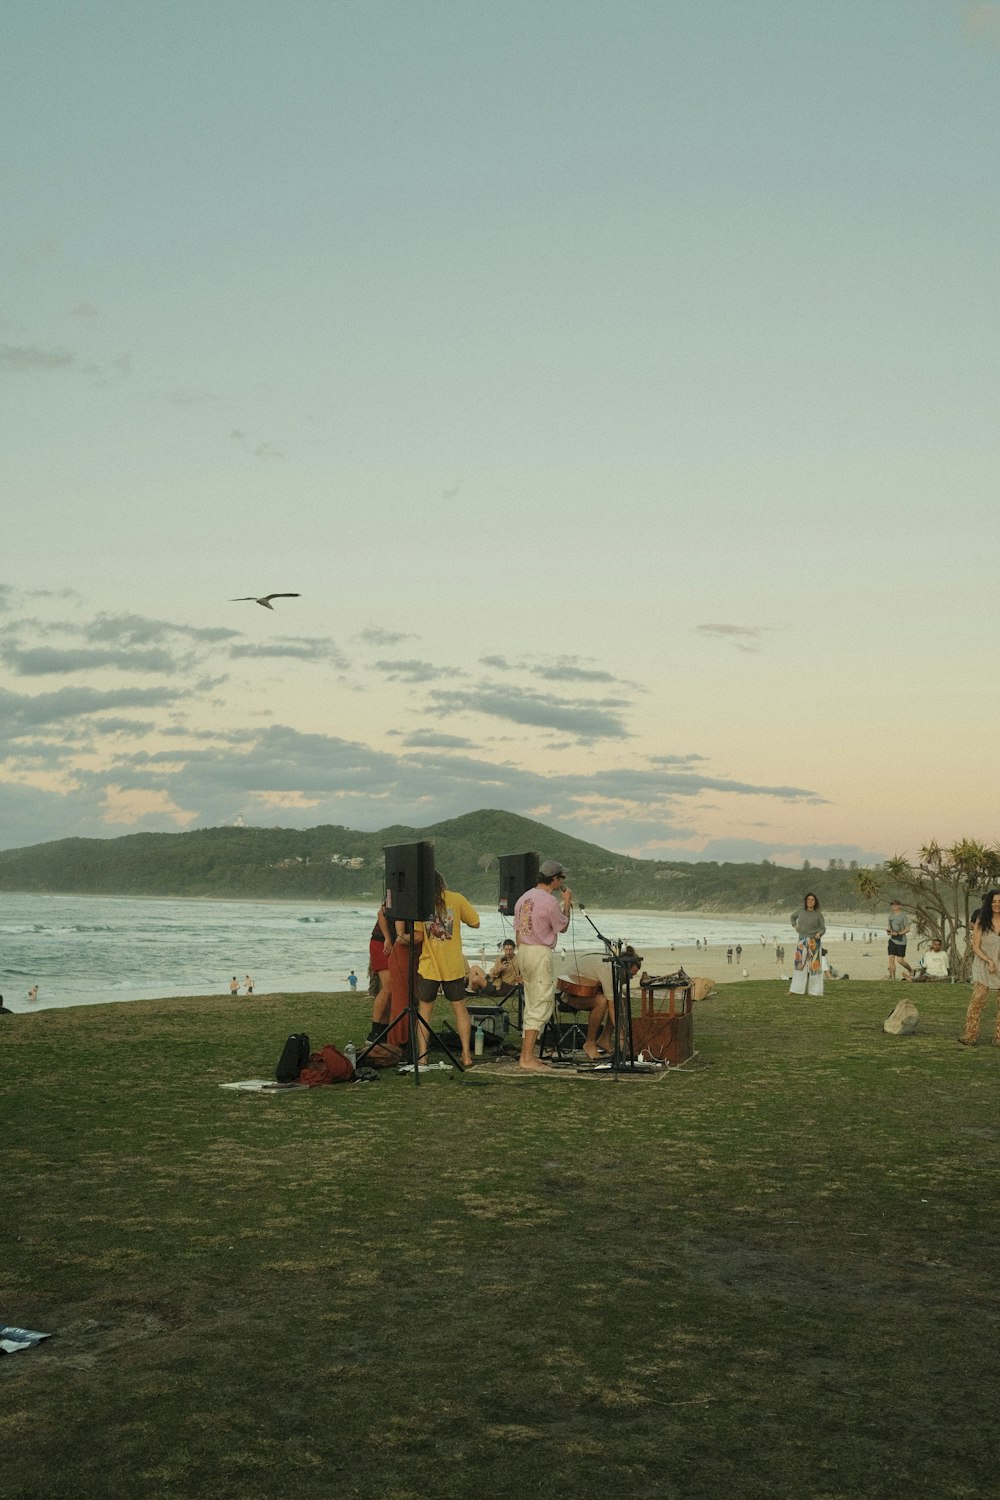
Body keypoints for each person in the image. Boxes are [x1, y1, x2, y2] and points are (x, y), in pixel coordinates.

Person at [415, 873, 480, 1068]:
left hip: (429, 966)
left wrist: (401, 935)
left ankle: (422, 1058)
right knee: (460, 1010)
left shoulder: (422, 903)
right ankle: (466, 1055)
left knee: (425, 1012)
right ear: (443, 883)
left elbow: (418, 937)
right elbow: (475, 922)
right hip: (453, 966)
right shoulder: (457, 899)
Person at [513, 860, 572, 1071]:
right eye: (561, 878)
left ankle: (527, 1055)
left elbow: (518, 931)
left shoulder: (522, 898)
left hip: (524, 951)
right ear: (555, 879)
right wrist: (567, 903)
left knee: (531, 1001)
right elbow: (562, 927)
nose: (562, 881)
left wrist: (519, 961)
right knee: (542, 1002)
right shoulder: (549, 902)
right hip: (539, 952)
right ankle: (527, 1057)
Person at [565, 945, 642, 1059]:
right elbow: (612, 1008)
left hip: (588, 992)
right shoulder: (607, 970)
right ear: (622, 968)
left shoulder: (614, 968)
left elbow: (618, 1002)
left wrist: (624, 1029)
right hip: (570, 994)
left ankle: (604, 1039)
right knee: (601, 1001)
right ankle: (589, 1043)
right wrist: (621, 1037)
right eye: (630, 975)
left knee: (619, 999)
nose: (630, 979)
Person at [960, 891, 1000, 1045]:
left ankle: (998, 1037)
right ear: (989, 903)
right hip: (984, 964)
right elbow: (975, 946)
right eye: (994, 901)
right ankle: (970, 1035)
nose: (997, 904)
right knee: (977, 1001)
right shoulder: (981, 920)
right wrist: (989, 960)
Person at [788, 893, 826, 996]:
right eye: (808, 899)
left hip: (814, 942)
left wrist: (820, 933)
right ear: (805, 901)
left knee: (814, 967)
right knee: (799, 966)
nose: (810, 901)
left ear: (815, 902)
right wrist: (795, 926)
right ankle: (795, 990)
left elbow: (823, 928)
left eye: (812, 899)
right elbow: (792, 917)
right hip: (802, 941)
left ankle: (815, 991)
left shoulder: (818, 915)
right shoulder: (800, 911)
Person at [368, 903, 393, 1033]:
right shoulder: (394, 893)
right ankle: (375, 1030)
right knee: (387, 987)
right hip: (380, 942)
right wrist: (387, 938)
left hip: (393, 944)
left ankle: (384, 1028)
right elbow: (381, 914)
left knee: (392, 990)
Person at [886, 900, 914, 979]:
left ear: (900, 906)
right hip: (892, 940)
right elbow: (889, 927)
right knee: (891, 958)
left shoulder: (903, 916)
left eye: (895, 905)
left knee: (900, 960)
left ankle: (911, 970)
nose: (893, 907)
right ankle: (893, 978)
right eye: (892, 905)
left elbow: (908, 929)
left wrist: (898, 933)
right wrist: (889, 932)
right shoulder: (890, 916)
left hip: (901, 940)